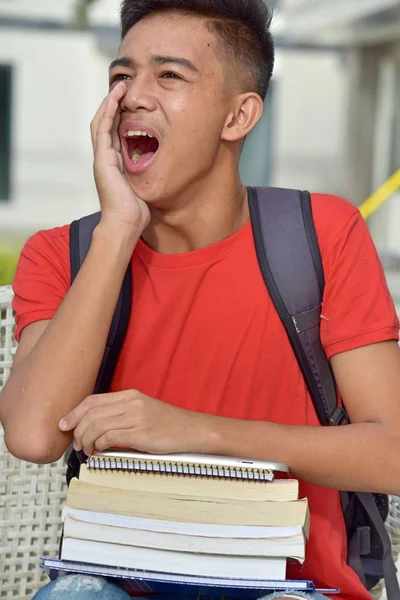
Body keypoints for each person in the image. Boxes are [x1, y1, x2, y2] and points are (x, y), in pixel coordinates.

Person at [0, 1, 399, 599]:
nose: (133, 95)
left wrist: (194, 432)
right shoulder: (65, 254)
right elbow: (33, 436)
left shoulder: (321, 234)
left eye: (169, 75)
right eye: (121, 75)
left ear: (238, 115)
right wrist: (117, 229)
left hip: (292, 585)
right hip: (120, 584)